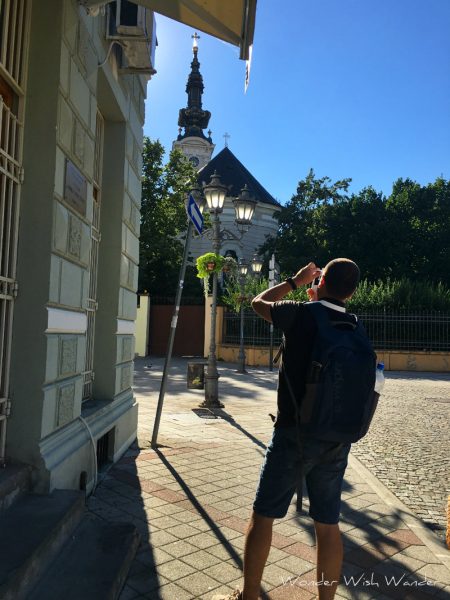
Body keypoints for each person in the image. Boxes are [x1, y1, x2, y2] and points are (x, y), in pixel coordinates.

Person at [212, 258, 362, 600]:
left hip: (294, 433)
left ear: (320, 281)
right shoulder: (354, 324)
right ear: (351, 293)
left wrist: (295, 282)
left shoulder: (300, 313)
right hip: (337, 438)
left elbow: (257, 303)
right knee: (328, 525)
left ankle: (249, 594)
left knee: (264, 514)